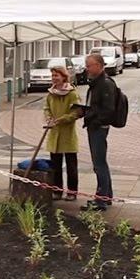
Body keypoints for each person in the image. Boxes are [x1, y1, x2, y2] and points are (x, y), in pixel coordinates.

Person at [81, 53, 116, 212]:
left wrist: (93, 119)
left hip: (98, 128)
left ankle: (101, 200)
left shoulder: (105, 84)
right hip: (95, 126)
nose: (86, 68)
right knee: (101, 162)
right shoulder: (96, 83)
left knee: (99, 164)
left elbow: (108, 110)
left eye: (89, 65)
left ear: (99, 65)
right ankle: (106, 196)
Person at [43, 65, 81, 201]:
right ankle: (57, 191)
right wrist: (48, 117)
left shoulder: (72, 93)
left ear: (63, 77)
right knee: (56, 166)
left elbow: (77, 112)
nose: (54, 78)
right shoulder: (51, 93)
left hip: (68, 134)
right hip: (54, 134)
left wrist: (63, 119)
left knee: (71, 165)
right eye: (52, 76)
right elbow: (46, 107)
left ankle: (72, 192)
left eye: (56, 75)